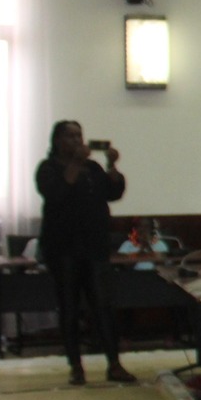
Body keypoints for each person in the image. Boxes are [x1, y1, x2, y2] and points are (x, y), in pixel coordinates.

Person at [35, 121, 135, 385]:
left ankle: (114, 364)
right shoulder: (48, 169)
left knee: (103, 306)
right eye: (70, 136)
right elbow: (56, 193)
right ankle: (76, 366)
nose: (77, 140)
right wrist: (76, 163)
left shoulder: (92, 168)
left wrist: (113, 166)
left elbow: (114, 192)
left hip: (95, 247)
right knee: (69, 307)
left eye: (79, 135)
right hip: (63, 249)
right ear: (57, 141)